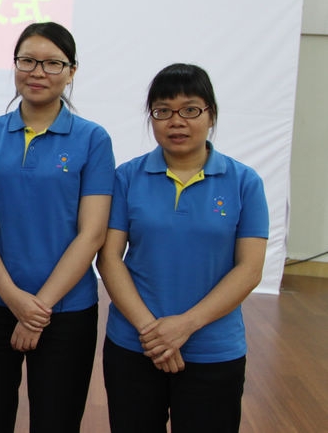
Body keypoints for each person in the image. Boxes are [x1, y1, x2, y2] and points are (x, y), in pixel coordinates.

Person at [96, 63, 269, 433]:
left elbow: (249, 270)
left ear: (211, 115)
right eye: (163, 111)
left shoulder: (244, 182)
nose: (176, 121)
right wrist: (153, 333)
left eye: (190, 110)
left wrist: (185, 326)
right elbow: (109, 258)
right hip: (134, 345)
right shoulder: (127, 177)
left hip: (213, 350)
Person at [0, 22, 115, 433]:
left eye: (52, 63)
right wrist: (13, 298)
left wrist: (37, 310)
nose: (38, 72)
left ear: (71, 71)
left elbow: (92, 234)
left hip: (65, 311)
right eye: (27, 61)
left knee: (57, 420)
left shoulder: (92, 139)